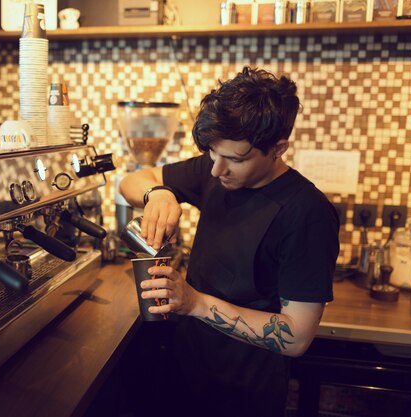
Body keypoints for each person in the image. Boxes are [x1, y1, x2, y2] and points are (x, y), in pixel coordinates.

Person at [118, 66, 339, 416]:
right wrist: (157, 193)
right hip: (186, 371)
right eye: (212, 153)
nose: (217, 171)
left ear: (278, 148)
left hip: (244, 393)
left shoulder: (306, 214)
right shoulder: (217, 170)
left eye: (235, 159)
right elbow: (131, 180)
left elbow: (296, 337)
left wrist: (194, 303)